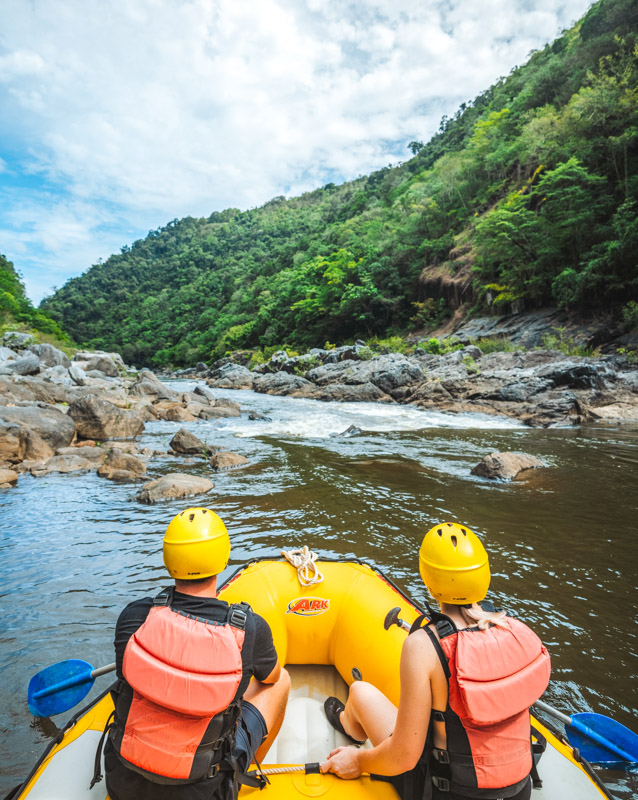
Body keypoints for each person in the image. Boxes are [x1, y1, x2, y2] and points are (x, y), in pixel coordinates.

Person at [320, 521, 551, 800]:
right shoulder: (511, 630)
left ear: (428, 579)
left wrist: (359, 761)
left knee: (359, 692)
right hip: (518, 790)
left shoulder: (423, 646)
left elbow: (404, 757)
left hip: (447, 792)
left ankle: (349, 725)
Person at [101, 507, 290, 800]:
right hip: (204, 792)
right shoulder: (250, 630)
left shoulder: (134, 616)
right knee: (283, 681)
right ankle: (244, 775)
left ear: (168, 559)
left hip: (123, 783)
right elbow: (272, 677)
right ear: (223, 558)